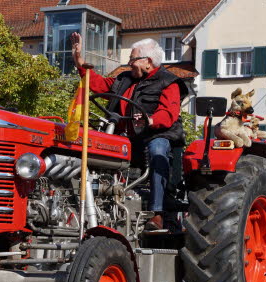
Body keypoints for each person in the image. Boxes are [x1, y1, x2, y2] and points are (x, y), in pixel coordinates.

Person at [70, 33, 188, 231]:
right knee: (91, 146)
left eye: (132, 59)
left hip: (157, 135)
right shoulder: (124, 79)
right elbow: (98, 84)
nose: (129, 63)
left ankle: (157, 213)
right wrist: (79, 60)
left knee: (158, 151)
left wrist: (150, 120)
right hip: (126, 137)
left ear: (147, 61)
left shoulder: (169, 82)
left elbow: (169, 114)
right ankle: (89, 202)